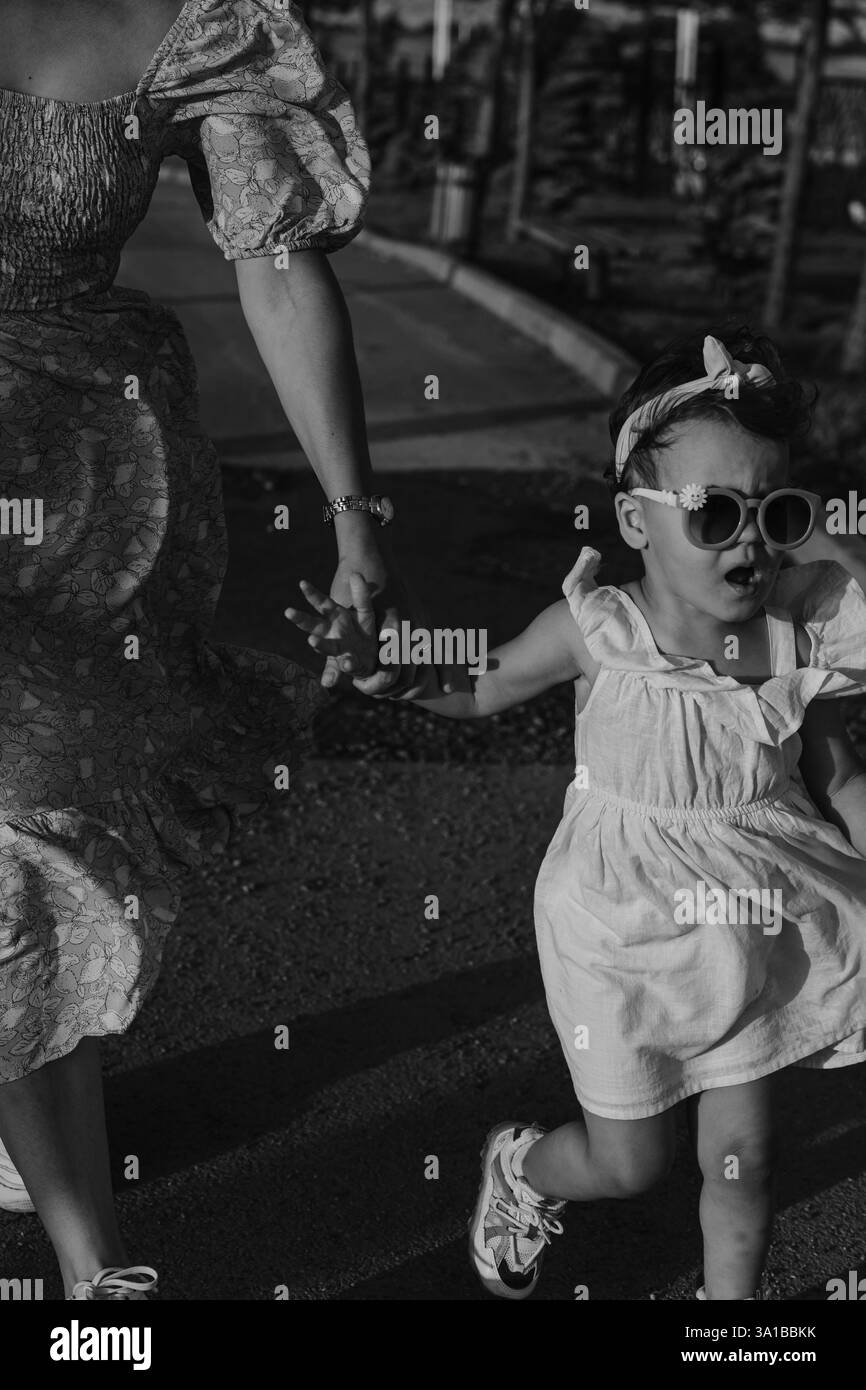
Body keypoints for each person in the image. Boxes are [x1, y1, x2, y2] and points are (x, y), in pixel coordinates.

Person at [286, 327, 866, 1302]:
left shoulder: (796, 631)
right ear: (634, 522)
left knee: (742, 1165)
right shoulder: (600, 628)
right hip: (618, 930)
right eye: (713, 512)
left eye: (775, 510)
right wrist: (389, 670)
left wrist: (810, 527)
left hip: (757, 917)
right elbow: (476, 685)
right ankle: (520, 1168)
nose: (750, 539)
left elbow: (839, 773)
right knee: (628, 1162)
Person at [0, 0, 416, 1300]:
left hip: (78, 484)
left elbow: (278, 261)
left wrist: (357, 524)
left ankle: (91, 1275)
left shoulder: (196, 23)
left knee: (29, 832)